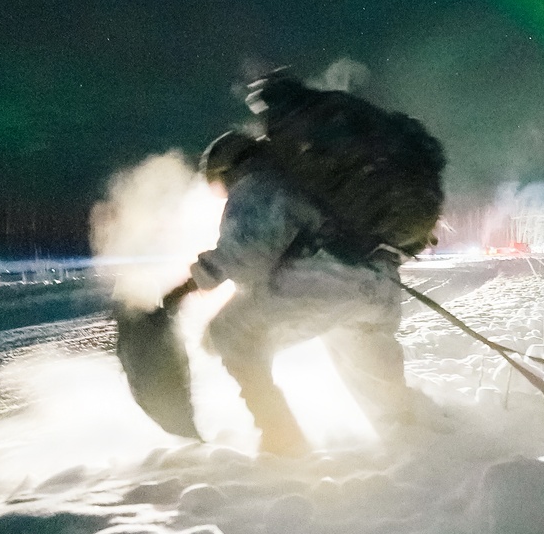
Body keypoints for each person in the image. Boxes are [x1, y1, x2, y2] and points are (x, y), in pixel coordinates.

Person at [167, 76, 444, 457]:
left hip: (330, 279)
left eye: (219, 185)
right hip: (379, 281)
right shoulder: (311, 185)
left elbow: (247, 253)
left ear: (229, 167)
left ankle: (283, 443)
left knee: (231, 334)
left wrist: (185, 288)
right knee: (381, 395)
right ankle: (436, 446)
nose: (224, 193)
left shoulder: (258, 184)